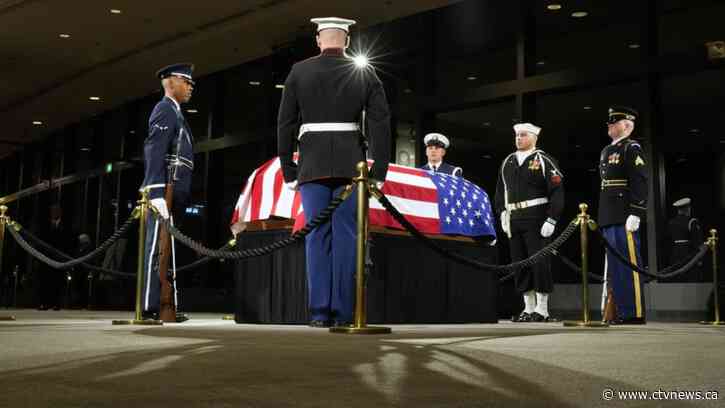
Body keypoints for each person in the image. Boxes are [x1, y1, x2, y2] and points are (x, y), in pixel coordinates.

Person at [277, 17, 391, 327]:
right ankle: (343, 313)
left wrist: (288, 168)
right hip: (350, 165)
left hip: (311, 164)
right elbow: (380, 122)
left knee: (316, 237)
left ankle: (318, 312)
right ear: (348, 41)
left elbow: (285, 123)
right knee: (347, 237)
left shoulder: (299, 71)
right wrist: (378, 170)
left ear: (318, 40)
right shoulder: (364, 71)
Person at [138, 63, 195, 322]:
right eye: (186, 81)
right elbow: (155, 149)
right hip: (164, 189)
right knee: (155, 248)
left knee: (167, 247)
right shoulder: (164, 109)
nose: (190, 86)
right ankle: (149, 305)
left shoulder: (177, 113)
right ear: (170, 82)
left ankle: (166, 303)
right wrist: (156, 191)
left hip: (176, 189)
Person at [495, 122, 564, 322]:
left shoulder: (543, 159)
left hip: (537, 217)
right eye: (517, 135)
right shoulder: (508, 161)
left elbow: (557, 191)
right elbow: (500, 191)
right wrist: (501, 213)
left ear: (534, 138)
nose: (519, 139)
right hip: (514, 218)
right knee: (520, 264)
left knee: (539, 263)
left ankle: (542, 309)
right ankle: (528, 308)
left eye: (523, 135)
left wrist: (552, 218)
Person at [598, 106, 647, 325]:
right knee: (615, 267)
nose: (609, 125)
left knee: (629, 264)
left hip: (624, 212)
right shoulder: (607, 150)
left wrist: (637, 210)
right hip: (609, 213)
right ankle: (619, 311)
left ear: (626, 125)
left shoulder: (631, 148)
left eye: (613, 122)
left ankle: (633, 312)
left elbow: (639, 180)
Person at [36, 204, 73, 310]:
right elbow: (39, 240)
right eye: (53, 211)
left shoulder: (66, 226)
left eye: (57, 211)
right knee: (44, 281)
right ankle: (44, 303)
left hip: (59, 258)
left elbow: (69, 241)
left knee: (58, 281)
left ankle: (56, 303)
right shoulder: (44, 225)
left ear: (60, 213)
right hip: (46, 258)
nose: (55, 213)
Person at [667, 198, 704, 282]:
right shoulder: (692, 221)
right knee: (691, 278)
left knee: (677, 279)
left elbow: (668, 241)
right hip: (689, 253)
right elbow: (697, 241)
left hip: (675, 254)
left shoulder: (671, 222)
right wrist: (699, 259)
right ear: (687, 209)